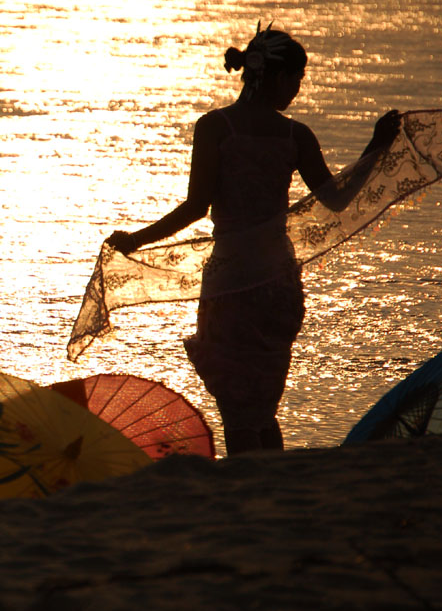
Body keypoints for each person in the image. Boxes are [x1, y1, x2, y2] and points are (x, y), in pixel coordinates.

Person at [107, 23, 400, 456]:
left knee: (239, 408)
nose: (296, 90)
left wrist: (137, 240)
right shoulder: (294, 136)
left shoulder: (215, 127)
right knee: (263, 405)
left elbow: (196, 208)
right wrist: (375, 148)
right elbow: (337, 200)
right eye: (296, 79)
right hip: (277, 281)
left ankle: (249, 493)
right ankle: (274, 493)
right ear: (275, 77)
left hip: (231, 282)